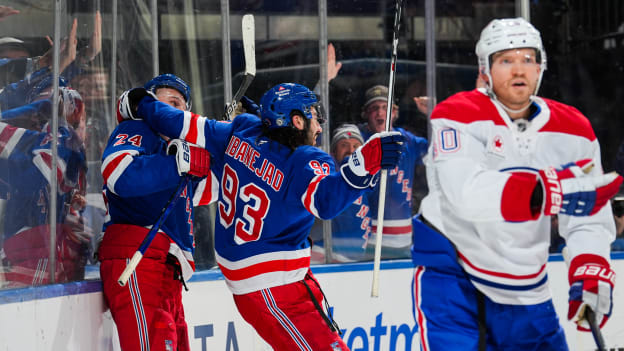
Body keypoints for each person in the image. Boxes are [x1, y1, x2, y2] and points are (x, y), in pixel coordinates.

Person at [118, 82, 404, 350]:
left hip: (254, 287)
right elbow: (326, 201)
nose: (319, 127)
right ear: (296, 121)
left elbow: (180, 122)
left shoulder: (241, 130)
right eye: (314, 117)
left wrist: (142, 103)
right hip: (278, 288)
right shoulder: (304, 160)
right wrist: (367, 161)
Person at [411, 18, 622, 350]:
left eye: (528, 59)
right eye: (506, 60)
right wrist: (545, 191)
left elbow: (588, 213)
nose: (518, 69)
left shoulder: (575, 129)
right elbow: (464, 193)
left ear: (540, 68)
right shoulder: (457, 114)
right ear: (486, 70)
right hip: (456, 279)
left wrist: (589, 264)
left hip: (526, 288)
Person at [97, 74, 213, 351]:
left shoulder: (172, 150)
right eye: (168, 101)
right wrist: (178, 164)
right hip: (138, 254)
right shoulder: (141, 128)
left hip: (166, 269)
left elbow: (204, 191)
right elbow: (118, 174)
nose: (175, 110)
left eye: (181, 105)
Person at [0, 87, 89, 288]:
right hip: (34, 242)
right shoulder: (64, 139)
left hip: (31, 241)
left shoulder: (55, 140)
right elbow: (35, 182)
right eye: (83, 118)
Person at [358, 84, 428, 255]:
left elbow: (439, 149)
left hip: (405, 238)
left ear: (394, 113)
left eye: (385, 107)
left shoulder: (408, 141)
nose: (381, 113)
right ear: (366, 114)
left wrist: (433, 113)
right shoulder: (356, 139)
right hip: (369, 239)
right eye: (374, 108)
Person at [312, 123, 373, 262]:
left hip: (354, 258)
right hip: (328, 255)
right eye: (344, 145)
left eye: (356, 146)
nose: (351, 150)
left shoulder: (364, 177)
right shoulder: (330, 175)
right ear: (333, 152)